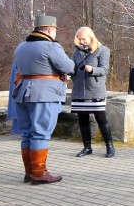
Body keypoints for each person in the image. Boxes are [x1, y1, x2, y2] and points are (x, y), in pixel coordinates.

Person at [11, 15, 75, 185]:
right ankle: (39, 173)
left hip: (22, 92)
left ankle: (29, 172)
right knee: (40, 133)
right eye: (54, 30)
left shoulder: (20, 47)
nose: (55, 34)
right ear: (49, 29)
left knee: (27, 134)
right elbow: (68, 67)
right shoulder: (51, 46)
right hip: (44, 94)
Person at [70, 27, 114, 158]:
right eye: (79, 39)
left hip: (95, 91)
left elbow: (104, 69)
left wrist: (92, 69)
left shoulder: (102, 50)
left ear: (91, 37)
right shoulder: (76, 53)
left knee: (101, 120)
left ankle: (109, 146)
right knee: (82, 121)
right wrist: (68, 73)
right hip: (79, 92)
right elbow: (73, 68)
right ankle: (87, 147)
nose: (81, 41)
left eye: (83, 39)